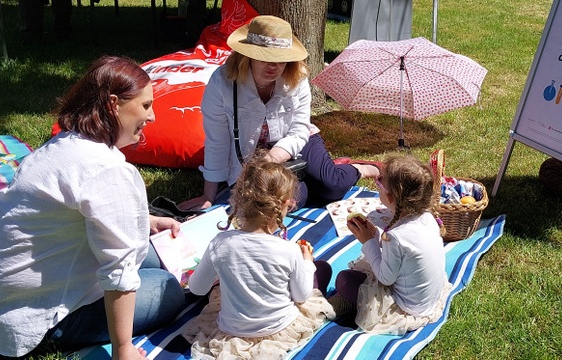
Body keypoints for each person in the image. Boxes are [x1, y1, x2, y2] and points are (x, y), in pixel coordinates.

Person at [0, 56, 187, 359]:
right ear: (114, 104)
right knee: (167, 289)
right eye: (146, 106)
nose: (152, 117)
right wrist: (123, 348)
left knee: (151, 253)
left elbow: (79, 209)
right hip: (29, 321)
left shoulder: (64, 144)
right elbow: (119, 272)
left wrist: (145, 219)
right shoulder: (107, 169)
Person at [178, 15, 380, 211]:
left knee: (333, 186)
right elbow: (217, 140)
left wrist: (272, 158)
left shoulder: (297, 78)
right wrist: (208, 196)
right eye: (266, 58)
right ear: (248, 55)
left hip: (299, 142)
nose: (274, 66)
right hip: (250, 157)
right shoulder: (222, 82)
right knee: (282, 203)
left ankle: (358, 168)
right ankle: (310, 178)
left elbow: (299, 130)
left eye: (281, 59)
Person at [182, 154, 335, 359]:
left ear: (239, 199)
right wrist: (307, 262)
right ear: (283, 205)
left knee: (220, 290)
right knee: (321, 269)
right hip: (279, 328)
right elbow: (301, 296)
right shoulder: (288, 250)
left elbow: (197, 288)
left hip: (231, 330)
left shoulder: (220, 244)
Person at [331, 154, 452, 334]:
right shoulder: (427, 217)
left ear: (390, 197)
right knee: (362, 269)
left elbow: (385, 278)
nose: (376, 185)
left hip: (406, 308)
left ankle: (348, 305)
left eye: (379, 183)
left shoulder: (396, 237)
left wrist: (368, 241)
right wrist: (375, 235)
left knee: (345, 281)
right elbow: (405, 255)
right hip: (425, 300)